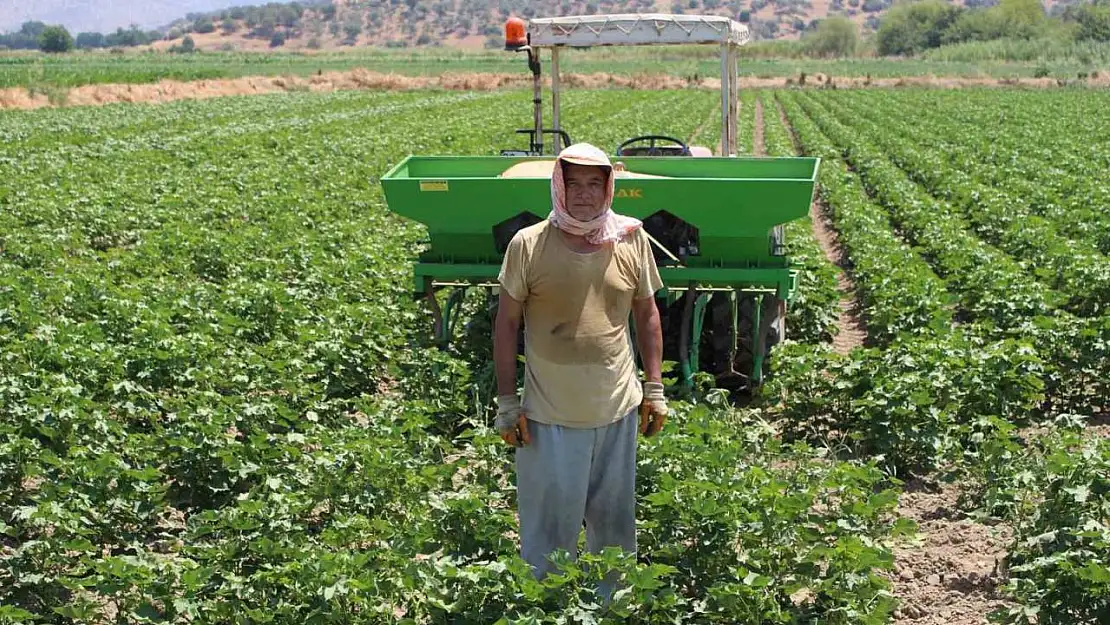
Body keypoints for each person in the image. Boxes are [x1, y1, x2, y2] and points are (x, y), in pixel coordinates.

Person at [492, 142, 668, 600]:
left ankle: (612, 606)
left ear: (609, 188)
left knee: (613, 526)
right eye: (575, 185)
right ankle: (545, 607)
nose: (585, 194)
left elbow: (647, 316)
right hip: (549, 413)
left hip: (616, 410)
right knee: (549, 528)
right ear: (559, 187)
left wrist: (654, 389)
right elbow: (506, 323)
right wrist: (508, 403)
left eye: (595, 183)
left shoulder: (631, 240)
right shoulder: (528, 245)